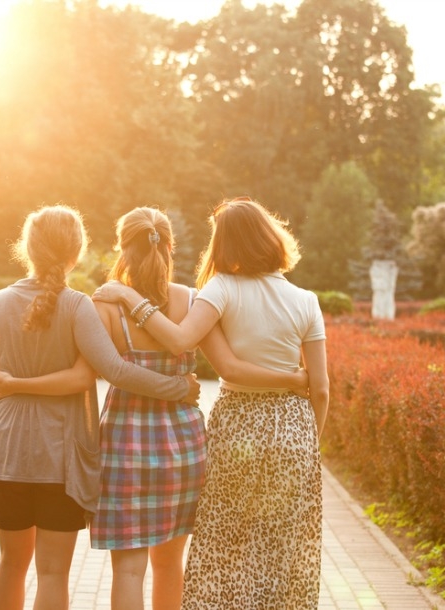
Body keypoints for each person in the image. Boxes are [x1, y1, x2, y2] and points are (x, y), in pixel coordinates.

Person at [0, 206, 309, 610]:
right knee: (169, 565)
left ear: (122, 249)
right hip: (182, 445)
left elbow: (98, 371)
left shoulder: (104, 305)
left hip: (125, 445)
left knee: (129, 570)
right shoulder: (193, 301)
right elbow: (228, 360)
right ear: (171, 247)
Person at [92, 197, 329, 609]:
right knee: (191, 563)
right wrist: (302, 417)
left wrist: (128, 298)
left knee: (154, 566)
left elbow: (199, 357)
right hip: (210, 441)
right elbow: (316, 387)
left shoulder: (119, 302)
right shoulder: (201, 297)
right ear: (169, 247)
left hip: (150, 439)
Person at [0, 204, 201, 610]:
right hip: (63, 461)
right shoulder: (78, 306)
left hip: (5, 455)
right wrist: (178, 388)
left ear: (27, 248)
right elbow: (108, 369)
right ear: (76, 252)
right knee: (53, 573)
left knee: (10, 563)